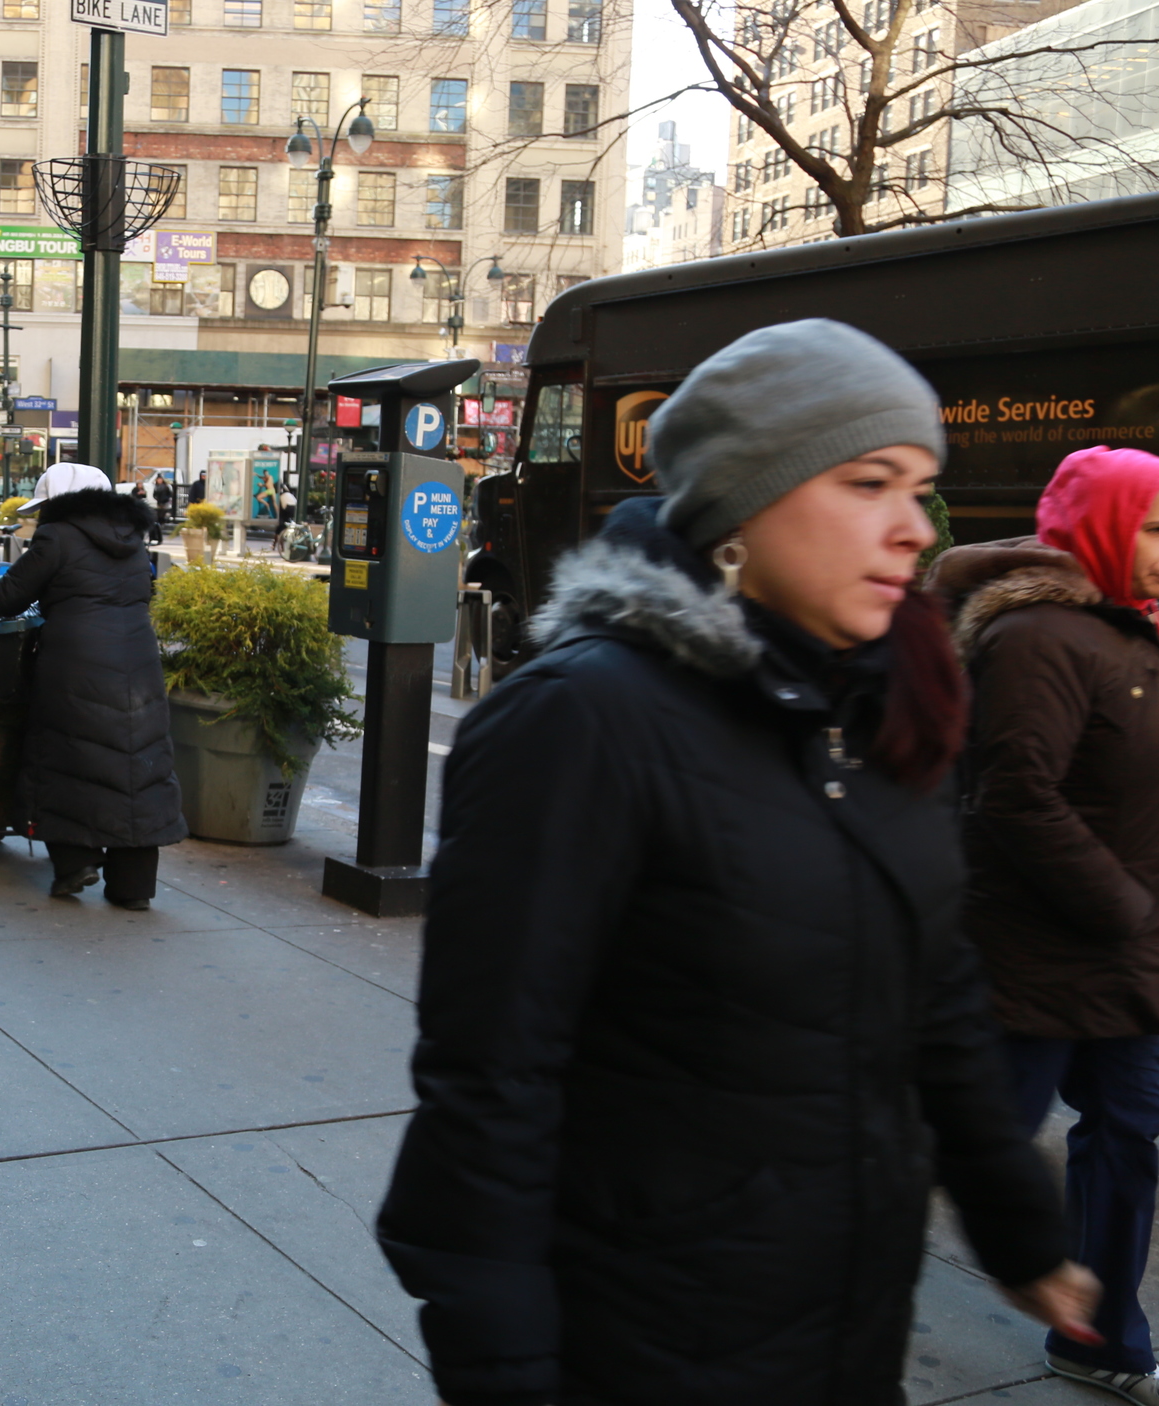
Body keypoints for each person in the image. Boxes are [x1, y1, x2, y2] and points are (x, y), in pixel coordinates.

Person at [377, 320, 1097, 1405]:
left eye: (919, 489)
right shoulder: (579, 720)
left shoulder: (875, 707)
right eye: (869, 483)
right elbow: (489, 1088)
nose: (915, 528)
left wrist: (1018, 1222)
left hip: (844, 1335)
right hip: (640, 1350)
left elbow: (937, 992)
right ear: (741, 509)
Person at [928, 446, 1159, 1406]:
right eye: (1158, 530)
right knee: (974, 1144)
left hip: (1120, 957)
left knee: (1128, 1131)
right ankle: (823, 1301)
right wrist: (1124, 904)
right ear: (1103, 528)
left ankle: (1102, 1342)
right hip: (1038, 955)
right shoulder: (1040, 637)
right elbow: (1015, 797)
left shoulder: (1132, 622)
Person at [0, 463, 185, 908]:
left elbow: (9, 596)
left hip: (74, 665)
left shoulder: (57, 537)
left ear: (59, 504)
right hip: (139, 666)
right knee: (139, 766)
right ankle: (134, 886)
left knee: (64, 757)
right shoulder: (133, 541)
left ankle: (75, 861)